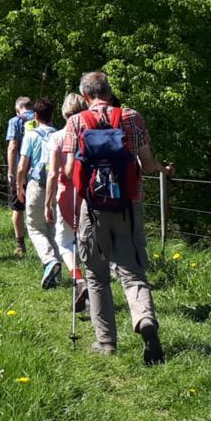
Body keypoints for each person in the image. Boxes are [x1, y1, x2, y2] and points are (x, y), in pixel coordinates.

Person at [55, 71, 174, 364]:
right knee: (132, 272)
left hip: (93, 209)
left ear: (85, 95)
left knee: (96, 276)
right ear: (109, 91)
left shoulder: (77, 121)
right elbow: (146, 164)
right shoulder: (132, 117)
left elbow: (70, 171)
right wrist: (163, 169)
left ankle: (106, 342)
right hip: (128, 206)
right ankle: (145, 320)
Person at [44, 93, 88, 311]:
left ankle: (78, 279)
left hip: (65, 193)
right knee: (88, 239)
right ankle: (96, 289)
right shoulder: (91, 134)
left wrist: (47, 203)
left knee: (64, 241)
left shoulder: (58, 137)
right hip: (89, 192)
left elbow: (52, 173)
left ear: (64, 112)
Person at [15, 98, 63, 288]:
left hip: (37, 185)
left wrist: (19, 186)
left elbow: (22, 166)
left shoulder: (31, 135)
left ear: (35, 116)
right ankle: (57, 274)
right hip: (57, 186)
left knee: (35, 228)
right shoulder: (59, 135)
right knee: (53, 227)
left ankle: (50, 261)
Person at [4, 96, 31, 257]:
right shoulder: (42, 117)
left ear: (17, 109)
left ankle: (20, 244)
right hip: (41, 172)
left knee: (18, 208)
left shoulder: (15, 121)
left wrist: (11, 173)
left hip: (22, 172)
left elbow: (13, 147)